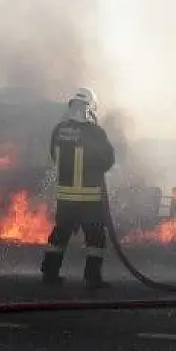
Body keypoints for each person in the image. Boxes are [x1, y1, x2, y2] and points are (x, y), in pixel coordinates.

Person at [40, 87, 116, 288]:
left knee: (60, 235)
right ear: (90, 108)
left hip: (65, 197)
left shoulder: (58, 130)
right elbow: (108, 160)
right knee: (95, 238)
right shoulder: (95, 132)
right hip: (90, 197)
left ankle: (49, 273)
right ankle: (92, 278)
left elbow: (54, 157)